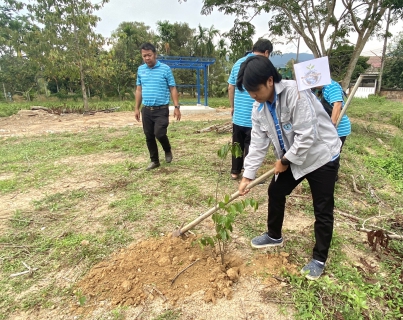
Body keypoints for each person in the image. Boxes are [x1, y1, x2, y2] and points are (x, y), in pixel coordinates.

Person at [236, 56, 342, 280]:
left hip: (321, 155)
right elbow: (257, 144)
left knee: (322, 208)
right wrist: (247, 175)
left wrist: (284, 161)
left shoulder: (297, 94)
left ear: (269, 81)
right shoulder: (259, 108)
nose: (253, 96)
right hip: (293, 158)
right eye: (249, 92)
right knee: (275, 191)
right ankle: (274, 236)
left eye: (255, 90)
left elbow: (307, 137)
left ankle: (319, 258)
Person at [227, 39, 273, 180]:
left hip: (239, 115)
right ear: (266, 52)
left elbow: (230, 87)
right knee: (252, 145)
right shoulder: (264, 66)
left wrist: (233, 107)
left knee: (237, 143)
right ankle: (249, 174)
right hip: (255, 114)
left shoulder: (237, 63)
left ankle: (235, 172)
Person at [134, 43, 181, 171]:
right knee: (149, 136)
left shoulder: (165, 69)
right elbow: (139, 89)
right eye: (144, 56)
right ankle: (154, 161)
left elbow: (172, 87)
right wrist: (137, 108)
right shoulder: (141, 70)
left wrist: (177, 107)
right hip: (147, 110)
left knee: (159, 133)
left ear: (155, 54)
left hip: (161, 109)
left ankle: (167, 149)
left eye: (149, 55)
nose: (147, 58)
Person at [318, 80, 352, 181]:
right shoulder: (323, 89)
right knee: (326, 152)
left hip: (338, 128)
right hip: (327, 127)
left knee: (333, 153)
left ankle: (332, 177)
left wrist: (332, 126)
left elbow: (337, 105)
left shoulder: (331, 86)